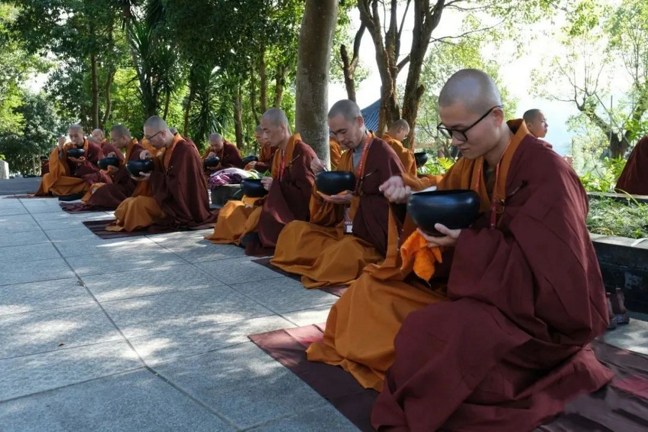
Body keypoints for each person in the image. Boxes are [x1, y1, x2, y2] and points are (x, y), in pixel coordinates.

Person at [362, 69, 612, 431]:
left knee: (428, 333)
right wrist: (408, 197)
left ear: (496, 116)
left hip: (539, 321)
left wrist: (467, 244)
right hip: (487, 293)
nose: (455, 141)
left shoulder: (548, 172)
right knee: (376, 292)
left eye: (461, 130)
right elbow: (439, 197)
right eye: (449, 132)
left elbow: (559, 281)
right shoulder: (472, 164)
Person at [270, 99, 405, 288]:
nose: (340, 139)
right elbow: (331, 204)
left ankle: (326, 261)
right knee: (295, 231)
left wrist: (355, 200)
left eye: (343, 132)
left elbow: (397, 208)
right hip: (343, 230)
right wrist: (321, 178)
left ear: (359, 122)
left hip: (370, 240)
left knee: (341, 254)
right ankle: (324, 258)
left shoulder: (382, 153)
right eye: (334, 134)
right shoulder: (347, 156)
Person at [206, 108, 318, 255]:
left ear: (282, 127)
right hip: (279, 206)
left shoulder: (302, 151)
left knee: (255, 221)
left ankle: (260, 235)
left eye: (267, 131)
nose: (265, 136)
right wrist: (270, 186)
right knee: (234, 210)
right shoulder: (279, 153)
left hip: (293, 214)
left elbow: (307, 195)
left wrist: (276, 186)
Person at [106, 116, 215, 232]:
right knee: (128, 203)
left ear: (162, 133)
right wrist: (151, 160)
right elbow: (165, 169)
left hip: (181, 207)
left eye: (150, 138)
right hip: (169, 200)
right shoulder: (168, 148)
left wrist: (152, 178)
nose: (148, 142)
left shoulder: (185, 150)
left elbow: (180, 185)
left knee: (136, 205)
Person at [82, 125, 147, 209]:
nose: (112, 143)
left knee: (103, 191)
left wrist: (117, 171)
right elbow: (126, 171)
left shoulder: (137, 151)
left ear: (123, 138)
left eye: (114, 140)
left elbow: (133, 179)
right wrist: (117, 168)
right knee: (99, 189)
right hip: (125, 186)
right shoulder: (130, 149)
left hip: (133, 191)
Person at [35, 124, 104, 198]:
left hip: (83, 179)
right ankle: (72, 191)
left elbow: (100, 169)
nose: (73, 139)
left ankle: (65, 191)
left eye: (76, 136)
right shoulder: (68, 147)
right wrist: (60, 148)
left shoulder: (94, 148)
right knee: (47, 178)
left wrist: (82, 163)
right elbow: (59, 163)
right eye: (71, 136)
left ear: (83, 134)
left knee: (89, 183)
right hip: (71, 179)